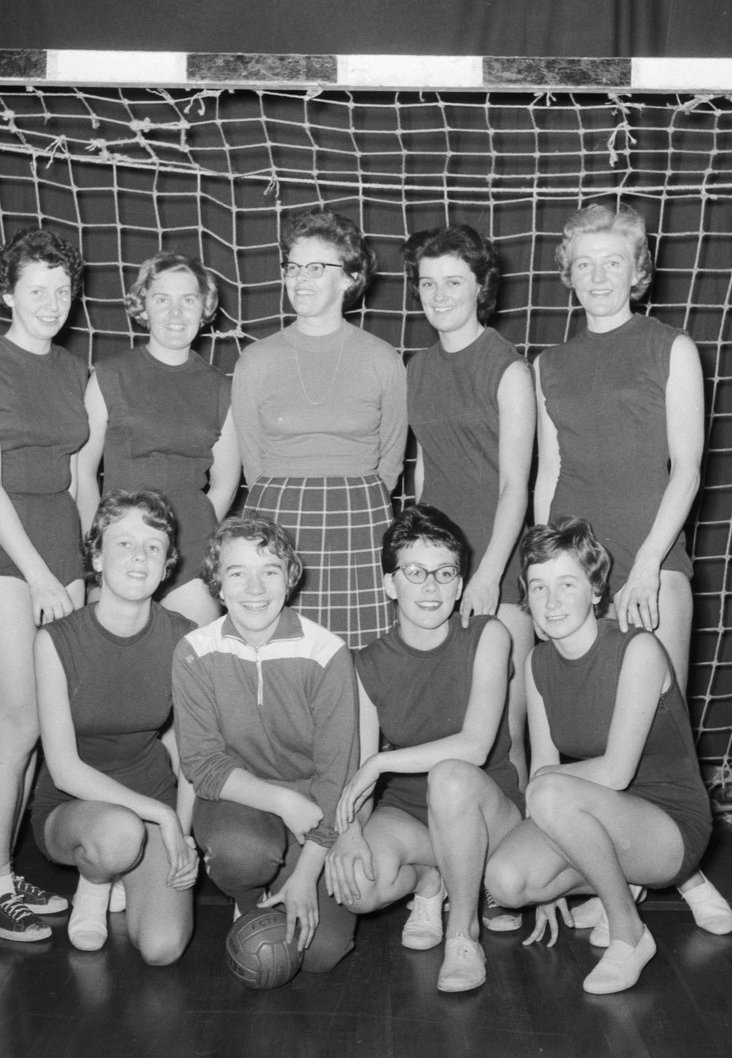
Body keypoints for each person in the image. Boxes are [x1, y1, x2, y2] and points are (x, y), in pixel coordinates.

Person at [532, 201, 732, 935]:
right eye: (583, 264)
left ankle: (687, 870)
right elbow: (549, 477)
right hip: (576, 573)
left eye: (612, 262)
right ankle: (626, 880)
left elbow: (688, 468)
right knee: (592, 730)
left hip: (652, 562)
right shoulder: (548, 364)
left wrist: (646, 566)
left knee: (657, 730)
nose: (598, 277)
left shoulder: (670, 347)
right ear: (568, 273)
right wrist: (543, 573)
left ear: (638, 271)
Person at [485, 518, 714, 994]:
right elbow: (544, 766)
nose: (551, 601)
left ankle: (629, 932)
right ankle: (619, 880)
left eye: (567, 584)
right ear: (526, 597)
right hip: (597, 814)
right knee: (506, 882)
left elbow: (615, 772)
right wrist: (549, 854)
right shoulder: (537, 663)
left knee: (548, 791)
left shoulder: (638, 649)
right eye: (538, 587)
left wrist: (548, 797)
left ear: (595, 590)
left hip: (669, 827)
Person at [0, 226, 88, 941]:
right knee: (18, 723)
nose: (51, 302)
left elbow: (80, 478)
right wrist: (37, 574)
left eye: (62, 289)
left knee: (41, 727)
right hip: (3, 551)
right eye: (37, 289)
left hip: (62, 550)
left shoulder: (74, 370)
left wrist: (82, 565)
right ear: (7, 293)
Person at [326, 505, 523, 993]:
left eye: (445, 573)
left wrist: (382, 762)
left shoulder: (487, 635)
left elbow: (475, 746)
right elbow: (359, 771)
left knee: (450, 775)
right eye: (415, 572)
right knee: (359, 887)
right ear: (390, 584)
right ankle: (430, 881)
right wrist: (349, 832)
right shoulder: (365, 664)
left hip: (483, 809)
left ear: (460, 585)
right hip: (411, 812)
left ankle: (463, 933)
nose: (431, 587)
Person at [172, 514, 359, 972]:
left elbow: (336, 777)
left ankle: (289, 880)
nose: (255, 588)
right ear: (217, 583)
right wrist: (281, 801)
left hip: (313, 810)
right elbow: (201, 763)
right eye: (237, 573)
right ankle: (249, 901)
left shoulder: (326, 652)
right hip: (238, 801)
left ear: (290, 577)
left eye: (269, 571)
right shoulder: (195, 650)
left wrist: (308, 872)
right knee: (241, 853)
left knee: (319, 955)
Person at [30, 489, 198, 961]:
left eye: (153, 547)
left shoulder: (185, 638)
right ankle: (95, 881)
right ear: (98, 558)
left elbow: (192, 754)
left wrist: (181, 832)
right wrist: (160, 815)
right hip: (75, 807)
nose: (139, 556)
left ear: (166, 566)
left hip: (152, 798)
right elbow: (64, 769)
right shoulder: (56, 640)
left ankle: (124, 869)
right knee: (119, 835)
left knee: (163, 949)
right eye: (124, 543)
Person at [402, 224, 536, 806]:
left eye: (453, 282)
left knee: (505, 731)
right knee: (447, 725)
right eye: (428, 282)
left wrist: (488, 574)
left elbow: (515, 485)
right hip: (439, 565)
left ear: (481, 286)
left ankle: (519, 852)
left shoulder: (508, 368)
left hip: (495, 565)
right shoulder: (418, 368)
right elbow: (425, 472)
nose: (439, 295)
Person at [231, 209, 407, 651]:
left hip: (359, 517)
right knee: (276, 653)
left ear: (349, 278)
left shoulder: (383, 358)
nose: (299, 279)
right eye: (292, 267)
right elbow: (252, 463)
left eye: (315, 268)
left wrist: (357, 499)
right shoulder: (255, 360)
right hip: (277, 516)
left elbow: (390, 460)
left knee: (360, 657)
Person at [77, 251, 240, 625]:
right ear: (143, 306)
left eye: (189, 300)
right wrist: (99, 548)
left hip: (190, 555)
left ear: (205, 308)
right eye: (162, 299)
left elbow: (226, 483)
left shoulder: (221, 389)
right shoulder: (109, 376)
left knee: (192, 658)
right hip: (120, 549)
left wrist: (189, 536)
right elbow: (83, 472)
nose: (176, 312)